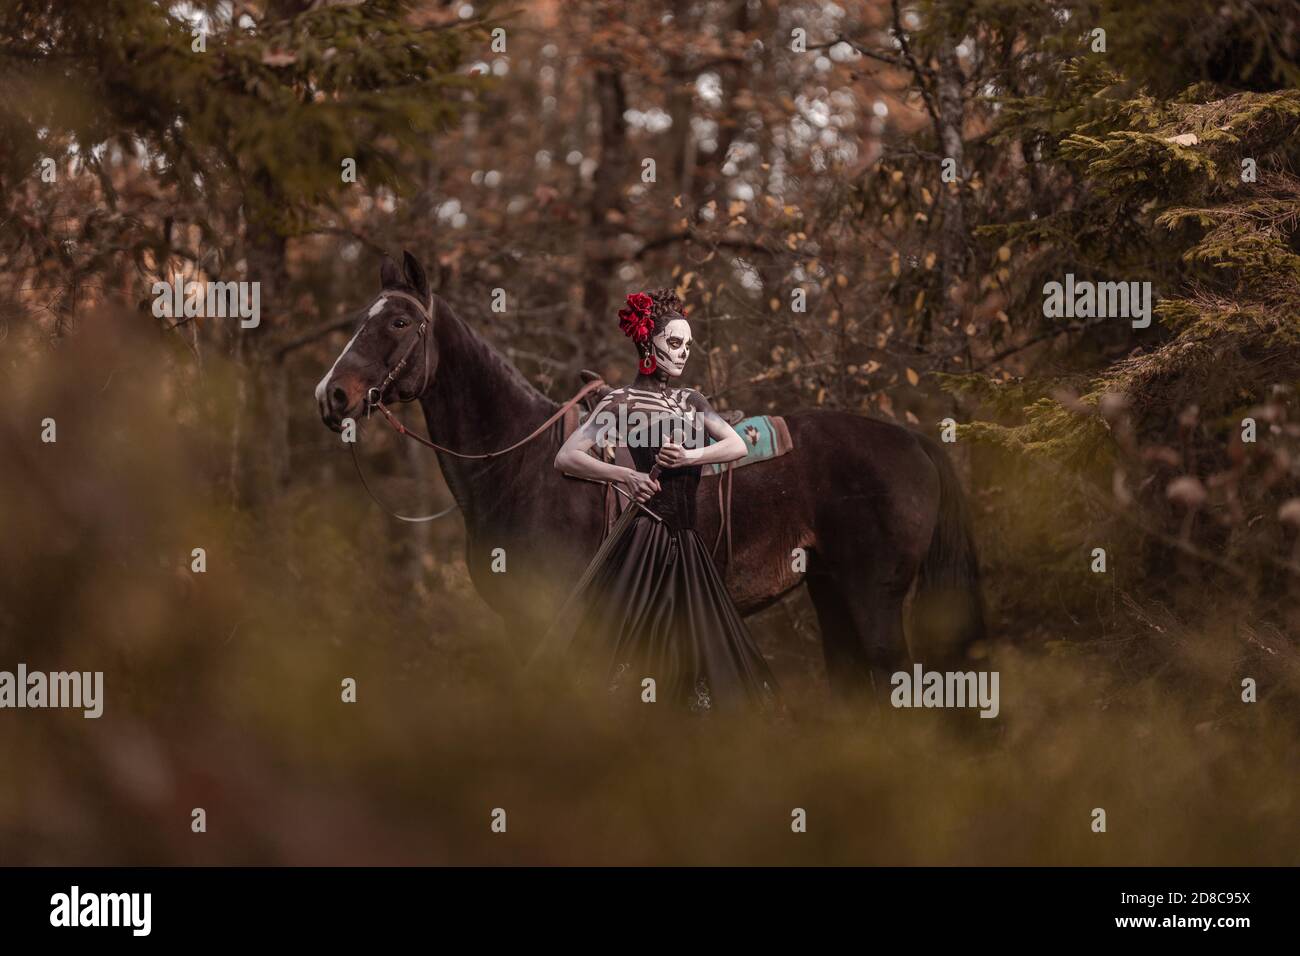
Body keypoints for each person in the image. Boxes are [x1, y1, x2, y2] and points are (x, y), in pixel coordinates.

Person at [548, 289, 780, 713]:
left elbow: (735, 447)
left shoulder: (692, 401)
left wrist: (691, 455)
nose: (683, 353)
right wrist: (627, 476)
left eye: (688, 345)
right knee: (622, 648)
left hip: (688, 543)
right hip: (642, 539)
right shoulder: (620, 402)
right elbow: (567, 457)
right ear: (646, 344)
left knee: (701, 648)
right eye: (674, 343)